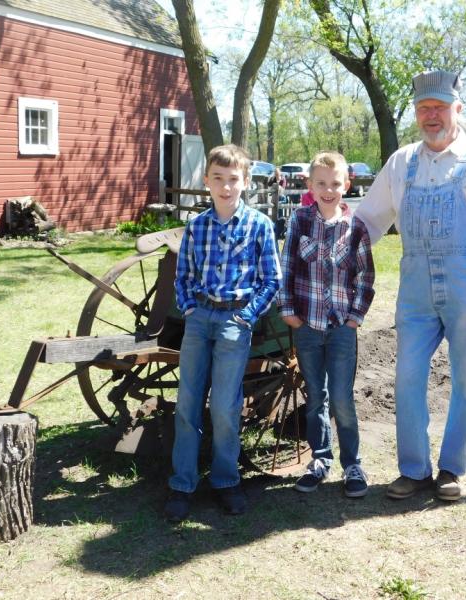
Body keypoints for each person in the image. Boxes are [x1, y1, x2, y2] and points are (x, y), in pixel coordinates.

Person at [355, 70, 466, 501]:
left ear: (457, 109)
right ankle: (414, 469)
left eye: (438, 107)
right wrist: (325, 233)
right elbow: (366, 222)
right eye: (423, 109)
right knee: (407, 377)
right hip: (415, 286)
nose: (431, 116)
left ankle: (451, 468)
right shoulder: (402, 163)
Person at [165, 144, 282, 522]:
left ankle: (225, 481)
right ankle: (183, 484)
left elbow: (271, 279)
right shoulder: (197, 226)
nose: (226, 186)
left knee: (225, 406)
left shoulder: (259, 225)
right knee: (187, 401)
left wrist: (246, 315)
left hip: (235, 320)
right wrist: (190, 308)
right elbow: (183, 276)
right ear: (206, 182)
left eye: (233, 179)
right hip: (200, 320)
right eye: (218, 179)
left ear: (245, 182)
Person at [279, 151, 376, 498]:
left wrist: (355, 318)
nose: (328, 190)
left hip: (340, 329)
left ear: (346, 185)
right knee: (315, 397)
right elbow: (287, 266)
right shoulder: (300, 221)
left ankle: (353, 463)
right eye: (321, 183)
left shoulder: (355, 228)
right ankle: (320, 458)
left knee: (341, 398)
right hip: (307, 325)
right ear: (309, 185)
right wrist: (287, 308)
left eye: (335, 183)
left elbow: (365, 276)